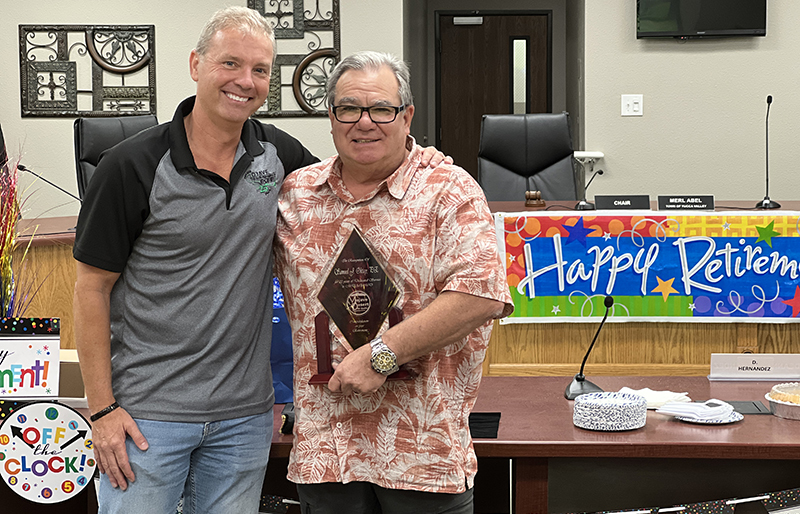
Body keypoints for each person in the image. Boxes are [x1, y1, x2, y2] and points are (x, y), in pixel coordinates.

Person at [72, 8, 446, 513]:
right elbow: (90, 289)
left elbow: (348, 178)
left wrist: (425, 161)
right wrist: (101, 410)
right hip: (146, 418)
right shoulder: (131, 166)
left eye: (261, 70)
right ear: (195, 64)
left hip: (244, 419)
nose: (245, 82)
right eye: (230, 64)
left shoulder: (278, 154)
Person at [275, 51, 514, 514]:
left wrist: (380, 356)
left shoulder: (449, 190)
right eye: (349, 108)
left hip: (422, 456)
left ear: (406, 116)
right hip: (327, 455)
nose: (364, 122)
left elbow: (480, 294)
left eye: (381, 109)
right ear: (331, 117)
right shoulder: (295, 195)